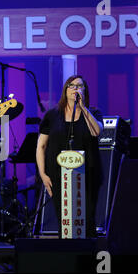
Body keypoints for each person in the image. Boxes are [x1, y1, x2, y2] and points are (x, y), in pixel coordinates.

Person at [36, 75, 103, 238]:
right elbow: (41, 146)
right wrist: (43, 174)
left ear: (85, 91)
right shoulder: (52, 115)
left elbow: (97, 132)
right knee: (64, 218)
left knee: (86, 218)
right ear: (65, 90)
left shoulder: (92, 113)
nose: (75, 89)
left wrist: (83, 108)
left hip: (87, 174)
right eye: (71, 86)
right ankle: (68, 254)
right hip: (58, 174)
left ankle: (88, 256)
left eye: (79, 86)